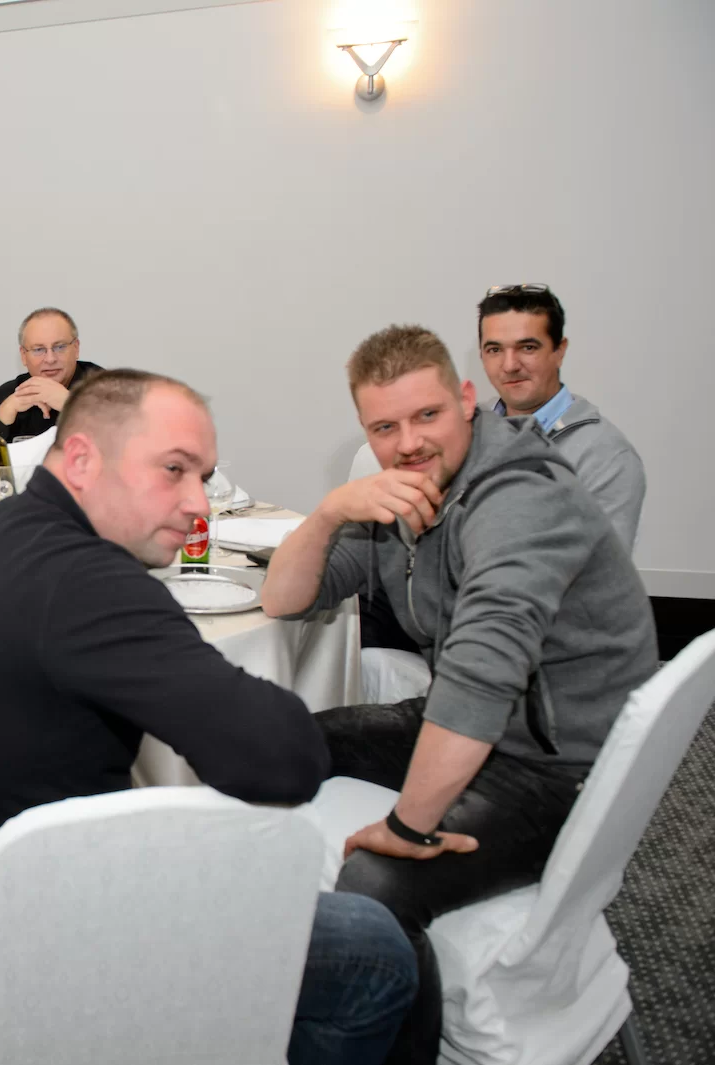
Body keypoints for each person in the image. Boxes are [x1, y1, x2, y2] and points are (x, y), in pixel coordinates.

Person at [0, 368, 417, 1065]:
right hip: (5, 959)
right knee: (377, 950)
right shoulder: (87, 579)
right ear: (82, 459)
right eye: (173, 470)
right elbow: (285, 759)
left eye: (203, 476)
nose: (198, 502)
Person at [261, 325, 658, 1064]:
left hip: (557, 766)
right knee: (279, 746)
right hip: (494, 728)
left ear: (467, 399)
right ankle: (267, 962)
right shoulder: (408, 495)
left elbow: (482, 675)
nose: (408, 443)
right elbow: (284, 599)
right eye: (384, 427)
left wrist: (407, 827)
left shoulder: (520, 498)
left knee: (376, 883)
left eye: (427, 415)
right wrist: (330, 512)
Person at [478, 284, 646, 549]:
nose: (509, 365)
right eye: (495, 350)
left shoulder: (606, 456)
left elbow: (600, 569)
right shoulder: (466, 432)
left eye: (527, 347)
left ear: (559, 351)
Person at [0, 307, 103, 464]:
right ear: (24, 356)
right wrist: (1, 420)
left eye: (59, 347)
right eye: (39, 349)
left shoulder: (106, 387)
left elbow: (120, 453)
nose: (50, 359)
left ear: (76, 348)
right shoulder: (11, 393)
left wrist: (71, 405)